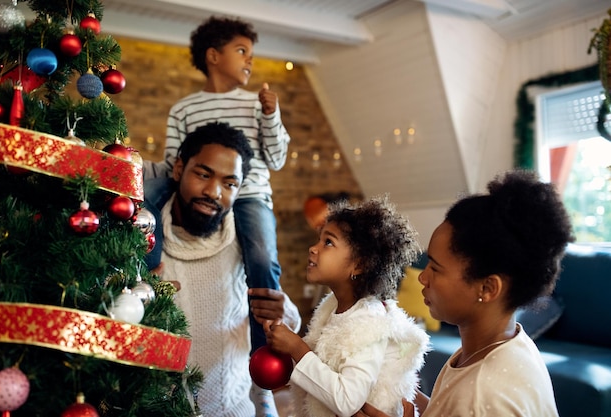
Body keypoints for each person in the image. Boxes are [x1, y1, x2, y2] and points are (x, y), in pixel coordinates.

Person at [359, 169, 574, 417]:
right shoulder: (500, 346)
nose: (422, 276)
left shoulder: (483, 396)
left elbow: (469, 406)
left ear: (487, 288)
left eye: (436, 269)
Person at [143, 15, 291, 360]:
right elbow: (171, 162)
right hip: (190, 183)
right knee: (145, 199)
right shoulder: (184, 108)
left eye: (251, 54)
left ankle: (265, 347)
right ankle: (147, 278)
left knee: (262, 257)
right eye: (241, 50)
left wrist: (272, 116)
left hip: (249, 193)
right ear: (213, 56)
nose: (249, 60)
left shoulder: (257, 103)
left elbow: (276, 157)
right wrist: (144, 172)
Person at [144, 121, 300, 417]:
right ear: (179, 169)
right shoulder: (144, 242)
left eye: (229, 184)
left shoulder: (247, 245)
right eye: (203, 174)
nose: (214, 192)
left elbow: (281, 328)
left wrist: (284, 313)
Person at [263, 196, 430, 417]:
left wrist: (297, 348)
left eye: (328, 242)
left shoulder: (369, 324)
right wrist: (287, 348)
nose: (313, 248)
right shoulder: (334, 308)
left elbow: (347, 401)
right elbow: (326, 367)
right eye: (319, 239)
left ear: (359, 264)